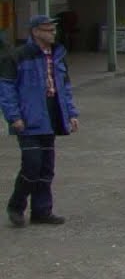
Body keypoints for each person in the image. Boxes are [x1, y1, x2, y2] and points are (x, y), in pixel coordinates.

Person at [1, 15, 81, 227]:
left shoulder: (57, 55)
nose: (53, 34)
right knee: (31, 165)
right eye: (48, 30)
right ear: (36, 32)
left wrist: (72, 114)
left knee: (46, 167)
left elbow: (65, 88)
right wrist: (14, 116)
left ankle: (42, 210)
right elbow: (7, 88)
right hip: (29, 120)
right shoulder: (18, 56)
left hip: (51, 117)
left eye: (53, 30)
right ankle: (16, 207)